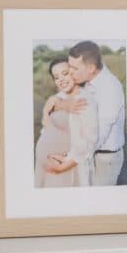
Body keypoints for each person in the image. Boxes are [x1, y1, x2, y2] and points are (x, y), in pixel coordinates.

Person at [54, 41, 126, 186]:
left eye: (74, 68)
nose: (70, 72)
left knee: (99, 203)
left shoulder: (110, 88)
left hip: (105, 159)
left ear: (91, 68)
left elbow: (99, 132)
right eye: (70, 66)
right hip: (89, 155)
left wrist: (72, 159)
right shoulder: (87, 81)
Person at [35, 58, 98, 187]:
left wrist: (62, 167)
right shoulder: (57, 98)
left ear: (74, 72)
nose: (61, 80)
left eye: (65, 73)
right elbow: (46, 127)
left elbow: (89, 142)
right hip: (48, 166)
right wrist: (47, 112)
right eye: (56, 77)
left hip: (68, 167)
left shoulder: (84, 100)